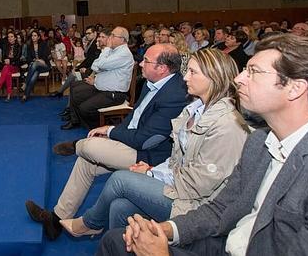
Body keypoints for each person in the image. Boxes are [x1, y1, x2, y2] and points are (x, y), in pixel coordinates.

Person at [97, 34, 308, 256]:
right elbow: (220, 209)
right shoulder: (260, 142)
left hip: (239, 242)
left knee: (121, 196)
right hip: (230, 240)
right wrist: (166, 230)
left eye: (253, 72)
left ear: (296, 88)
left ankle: (88, 223)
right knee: (118, 235)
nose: (238, 79)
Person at [60, 49, 249, 238]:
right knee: (119, 206)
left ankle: (89, 223)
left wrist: (152, 174)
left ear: (213, 77)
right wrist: (152, 171)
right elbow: (176, 159)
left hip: (197, 204)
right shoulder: (195, 109)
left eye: (193, 72)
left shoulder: (228, 124)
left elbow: (200, 183)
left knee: (120, 179)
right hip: (179, 184)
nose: (184, 78)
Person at [25, 43, 188, 240]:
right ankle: (56, 219)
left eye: (146, 61)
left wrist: (110, 131)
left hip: (149, 156)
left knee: (90, 146)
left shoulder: (175, 95)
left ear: (162, 68)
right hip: (133, 143)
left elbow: (144, 140)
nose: (141, 63)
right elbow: (132, 119)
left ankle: (77, 145)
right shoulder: (151, 81)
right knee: (86, 162)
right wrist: (113, 132)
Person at [61, 26, 134, 130]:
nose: (110, 38)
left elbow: (101, 65)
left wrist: (106, 50)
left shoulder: (123, 54)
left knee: (84, 108)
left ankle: (101, 130)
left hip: (114, 94)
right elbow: (95, 66)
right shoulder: (114, 51)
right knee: (76, 91)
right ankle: (76, 120)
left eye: (113, 36)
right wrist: (102, 62)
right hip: (102, 87)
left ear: (122, 39)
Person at [50, 26, 101, 99]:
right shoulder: (92, 42)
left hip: (92, 72)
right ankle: (60, 92)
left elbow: (92, 61)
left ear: (95, 33)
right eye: (86, 33)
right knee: (73, 73)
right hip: (89, 68)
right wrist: (78, 68)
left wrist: (80, 68)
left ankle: (65, 98)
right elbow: (89, 59)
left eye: (89, 33)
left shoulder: (96, 44)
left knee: (74, 78)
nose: (87, 35)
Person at [21, 29, 51, 102]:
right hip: (35, 67)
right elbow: (28, 58)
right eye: (32, 36)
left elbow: (45, 56)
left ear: (38, 37)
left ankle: (25, 83)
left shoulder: (43, 44)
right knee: (33, 76)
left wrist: (38, 60)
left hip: (45, 66)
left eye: (35, 36)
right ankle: (25, 95)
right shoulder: (29, 46)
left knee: (35, 64)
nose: (33, 37)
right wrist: (36, 60)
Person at [0, 31, 21, 102]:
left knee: (6, 68)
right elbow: (3, 56)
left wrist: (10, 60)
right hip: (6, 66)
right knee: (8, 73)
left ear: (15, 38)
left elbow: (18, 58)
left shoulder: (19, 46)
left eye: (11, 37)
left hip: (15, 66)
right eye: (8, 37)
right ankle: (8, 95)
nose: (10, 38)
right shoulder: (5, 46)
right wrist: (5, 60)